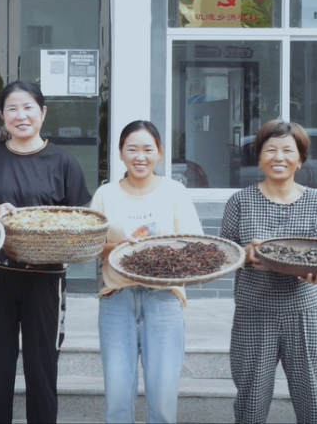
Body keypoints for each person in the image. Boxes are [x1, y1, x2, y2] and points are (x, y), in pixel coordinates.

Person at [0, 81, 91, 424]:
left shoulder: (63, 162)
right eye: (12, 108)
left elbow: (80, 219)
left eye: (28, 108)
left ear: (43, 112)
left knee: (42, 370)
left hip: (45, 278)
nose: (20, 115)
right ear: (2, 115)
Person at [221, 120, 317, 424]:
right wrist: (247, 255)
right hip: (254, 312)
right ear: (259, 157)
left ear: (301, 160)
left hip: (305, 313)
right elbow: (223, 254)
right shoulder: (240, 201)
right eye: (270, 150)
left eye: (288, 150)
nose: (278, 157)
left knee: (312, 401)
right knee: (251, 402)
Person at [90, 120, 204, 424]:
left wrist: (158, 251)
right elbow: (91, 246)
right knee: (117, 398)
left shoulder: (175, 191)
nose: (140, 157)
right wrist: (117, 247)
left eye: (147, 149)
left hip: (164, 299)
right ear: (120, 153)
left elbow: (195, 245)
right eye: (132, 149)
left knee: (163, 399)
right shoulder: (105, 194)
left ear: (159, 153)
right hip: (117, 299)